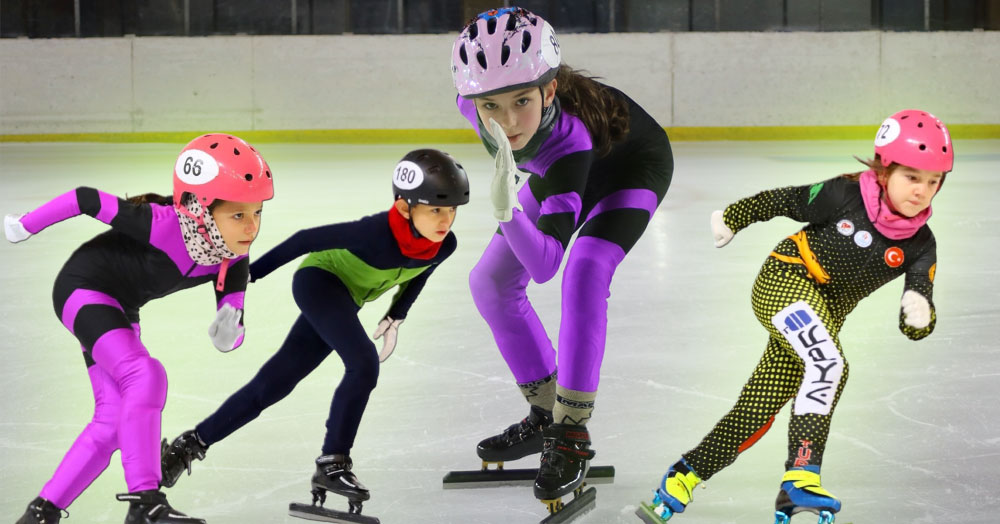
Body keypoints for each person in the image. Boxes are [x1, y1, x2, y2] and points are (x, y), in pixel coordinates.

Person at [637, 109, 952, 524]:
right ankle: (801, 478)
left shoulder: (920, 244)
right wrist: (732, 217)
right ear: (884, 168)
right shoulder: (845, 194)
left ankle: (683, 477)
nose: (923, 191)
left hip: (821, 315)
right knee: (828, 362)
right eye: (913, 177)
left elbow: (918, 315)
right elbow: (786, 200)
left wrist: (920, 313)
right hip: (784, 280)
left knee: (759, 406)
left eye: (934, 181)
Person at [159, 149, 469, 511]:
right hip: (319, 282)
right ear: (404, 207)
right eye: (435, 209)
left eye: (451, 210)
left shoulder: (444, 245)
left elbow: (420, 275)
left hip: (346, 299)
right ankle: (333, 463)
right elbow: (305, 239)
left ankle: (190, 444)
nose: (446, 219)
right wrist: (244, 277)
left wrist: (396, 315)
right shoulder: (375, 234)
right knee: (364, 363)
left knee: (275, 382)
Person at [451, 6, 675, 503]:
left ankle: (571, 433)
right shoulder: (471, 105)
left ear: (549, 90)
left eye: (522, 101)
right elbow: (507, 132)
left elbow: (546, 265)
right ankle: (544, 413)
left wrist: (509, 215)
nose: (507, 122)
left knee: (585, 271)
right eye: (491, 105)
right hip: (558, 171)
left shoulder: (568, 137)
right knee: (488, 282)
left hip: (629, 168)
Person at [7, 134, 274, 524]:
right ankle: (145, 503)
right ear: (198, 209)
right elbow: (85, 198)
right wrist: (23, 227)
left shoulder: (233, 257)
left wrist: (229, 331)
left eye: (257, 212)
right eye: (238, 215)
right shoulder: (160, 224)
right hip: (82, 289)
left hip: (121, 306)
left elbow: (233, 318)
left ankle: (40, 514)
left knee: (114, 422)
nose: (251, 227)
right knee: (144, 374)